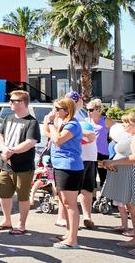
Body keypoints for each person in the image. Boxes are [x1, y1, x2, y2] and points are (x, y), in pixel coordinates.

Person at [0, 90, 40, 235]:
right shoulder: (8, 118)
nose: (10, 103)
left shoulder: (32, 122)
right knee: (4, 195)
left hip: (23, 167)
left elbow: (30, 142)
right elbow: (0, 134)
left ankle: (21, 224)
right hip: (5, 165)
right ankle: (7, 220)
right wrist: (3, 149)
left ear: (21, 103)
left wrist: (11, 150)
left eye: (12, 101)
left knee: (23, 196)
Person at [43, 97, 83, 249]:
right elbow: (47, 133)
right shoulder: (64, 124)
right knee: (64, 202)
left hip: (70, 167)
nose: (55, 111)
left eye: (57, 109)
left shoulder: (72, 125)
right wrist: (49, 122)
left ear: (67, 111)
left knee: (70, 204)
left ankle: (72, 240)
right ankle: (69, 233)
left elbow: (58, 140)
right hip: (60, 165)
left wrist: (52, 123)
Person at [100, 112, 135, 254]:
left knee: (132, 206)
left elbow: (133, 158)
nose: (124, 125)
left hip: (131, 174)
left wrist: (114, 162)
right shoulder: (131, 136)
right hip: (128, 175)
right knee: (131, 206)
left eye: (128, 123)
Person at [63, 91, 97, 229]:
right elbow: (67, 131)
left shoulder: (82, 114)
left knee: (87, 189)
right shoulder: (69, 116)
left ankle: (87, 216)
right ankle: (67, 220)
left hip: (89, 157)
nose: (82, 101)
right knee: (71, 191)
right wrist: (86, 134)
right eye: (80, 99)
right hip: (78, 158)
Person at [86, 99, 115, 189]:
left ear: (98, 110)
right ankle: (93, 199)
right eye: (87, 110)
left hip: (102, 153)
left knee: (104, 177)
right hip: (90, 153)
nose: (88, 112)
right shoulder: (86, 121)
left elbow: (118, 131)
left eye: (91, 110)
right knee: (90, 178)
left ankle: (105, 198)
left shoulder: (105, 120)